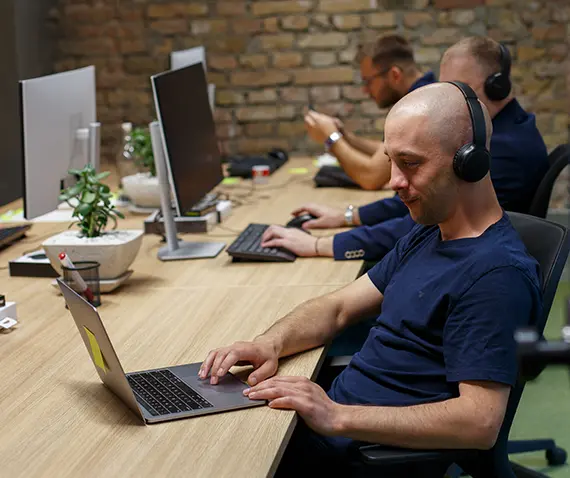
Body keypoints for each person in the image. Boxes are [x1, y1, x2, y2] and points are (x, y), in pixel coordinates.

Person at [199, 82, 543, 477]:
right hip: (328, 435)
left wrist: (336, 415)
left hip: (360, 456)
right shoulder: (432, 230)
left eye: (410, 163)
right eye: (391, 161)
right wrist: (268, 343)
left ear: (470, 162)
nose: (395, 180)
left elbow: (479, 423)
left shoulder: (495, 275)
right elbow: (339, 307)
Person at [270, 37, 549, 263]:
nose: (449, 99)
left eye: (459, 89)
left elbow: (423, 226)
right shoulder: (501, 129)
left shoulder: (503, 149)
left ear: (496, 87)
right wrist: (347, 217)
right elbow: (415, 196)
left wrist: (324, 244)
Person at [306, 34, 435, 190]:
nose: (365, 90)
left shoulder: (417, 108)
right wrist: (346, 137)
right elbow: (387, 153)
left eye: (368, 81)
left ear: (395, 75)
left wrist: (331, 138)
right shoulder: (425, 94)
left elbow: (371, 177)